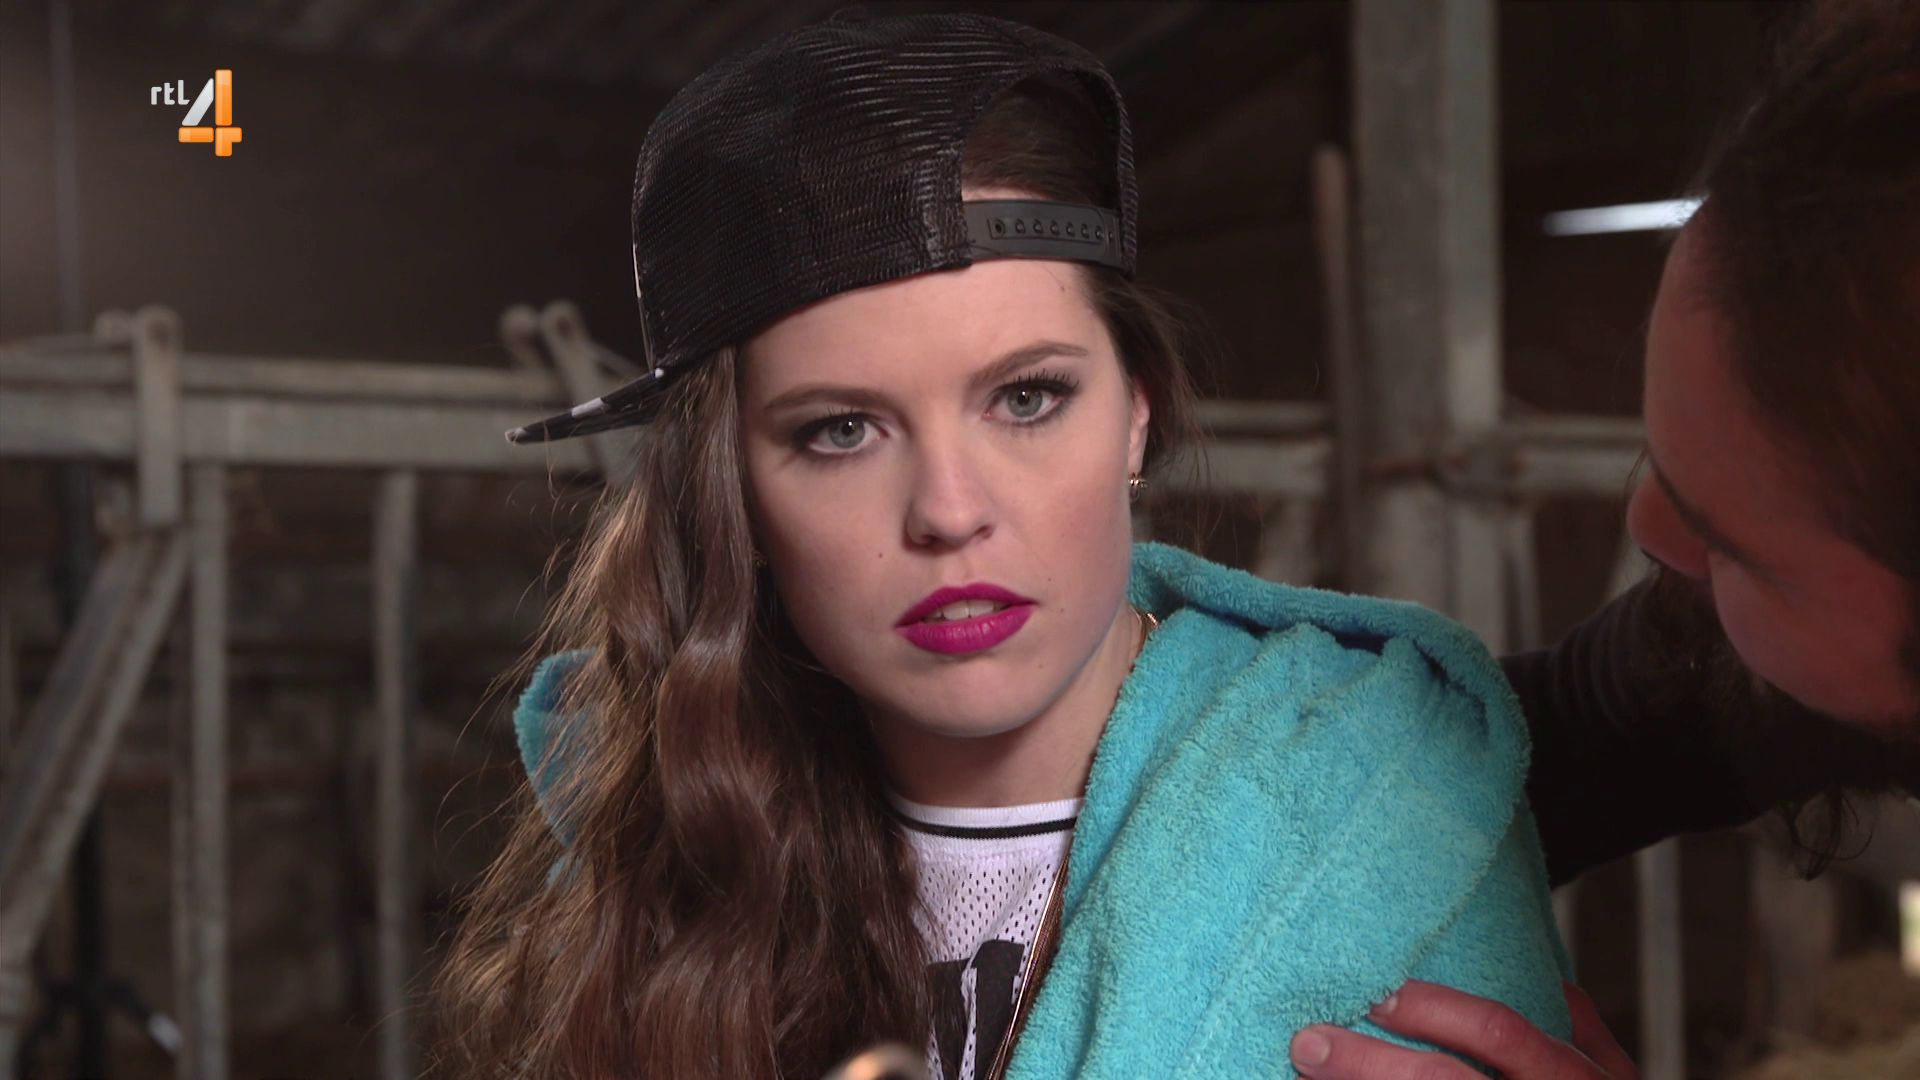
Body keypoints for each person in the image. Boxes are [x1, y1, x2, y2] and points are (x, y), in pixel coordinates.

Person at [431, 12, 1575, 1080]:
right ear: (731, 492)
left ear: (1137, 414)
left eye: (1027, 398)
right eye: (840, 430)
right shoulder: (657, 838)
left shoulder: (1381, 803)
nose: (949, 509)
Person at [1290, 2, 1920, 1076]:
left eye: (1737, 547)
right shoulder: (1760, 650)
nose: (1647, 531)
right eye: (1659, 460)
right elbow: (1527, 751)